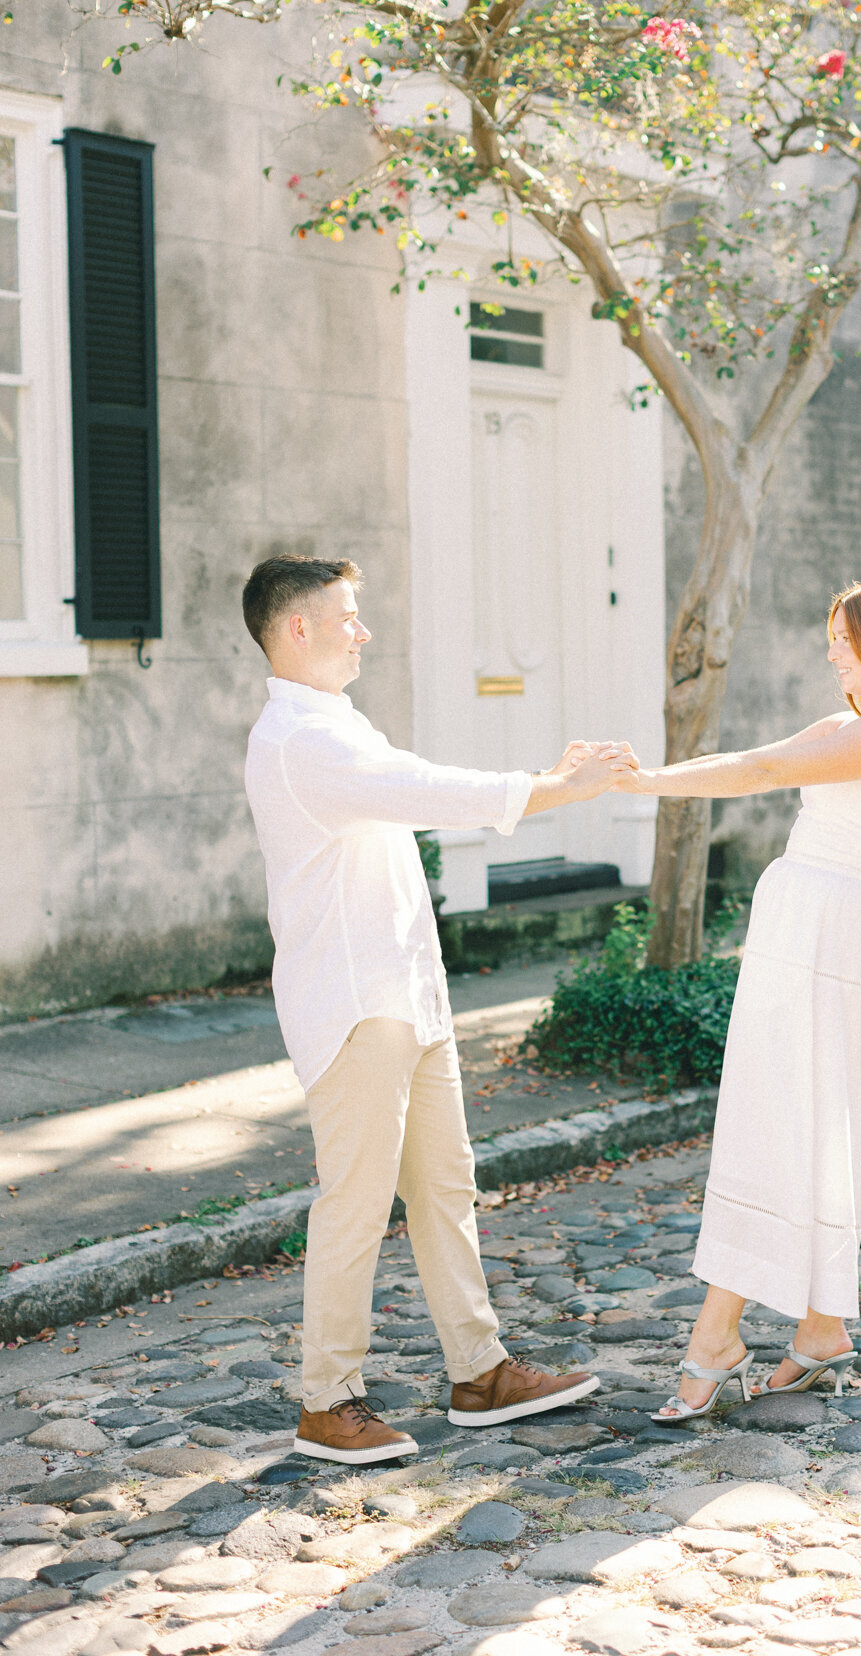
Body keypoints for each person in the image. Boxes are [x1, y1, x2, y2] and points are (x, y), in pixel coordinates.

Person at [241, 553, 635, 1463]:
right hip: (353, 1003)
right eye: (347, 614)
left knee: (446, 1185)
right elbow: (427, 793)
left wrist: (542, 781)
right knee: (357, 1199)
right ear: (297, 628)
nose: (363, 630)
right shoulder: (302, 740)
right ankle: (327, 1400)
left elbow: (412, 774)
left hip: (406, 991)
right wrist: (555, 788)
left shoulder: (337, 723)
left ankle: (479, 1369)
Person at [612, 575, 861, 1420]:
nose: (830, 653)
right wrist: (652, 775)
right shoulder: (856, 727)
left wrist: (642, 788)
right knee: (805, 1123)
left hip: (828, 936)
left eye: (844, 639)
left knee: (777, 1121)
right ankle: (820, 1329)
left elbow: (763, 770)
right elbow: (752, 760)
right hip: (802, 930)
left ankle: (718, 1337)